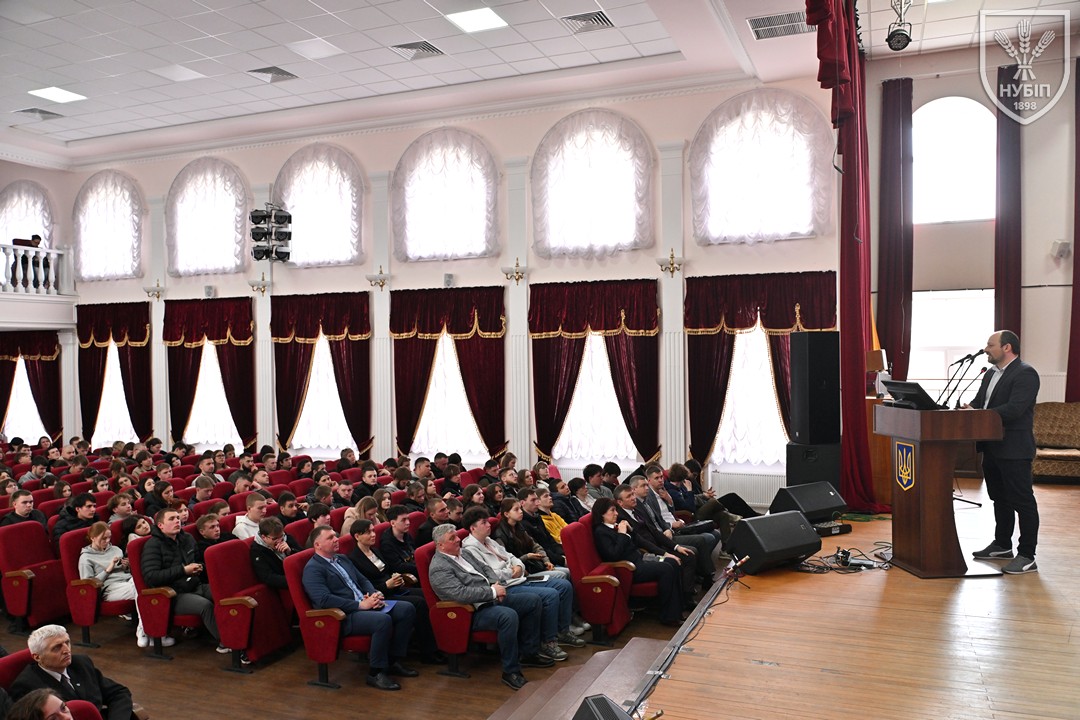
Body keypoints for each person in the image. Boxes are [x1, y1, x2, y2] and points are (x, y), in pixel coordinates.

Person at [427, 523, 550, 691]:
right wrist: (492, 592)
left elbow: (486, 569)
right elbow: (460, 594)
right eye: (452, 538)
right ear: (441, 545)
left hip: (490, 597)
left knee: (533, 601)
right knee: (508, 616)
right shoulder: (439, 568)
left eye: (456, 536)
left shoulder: (464, 553)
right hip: (471, 611)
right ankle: (510, 671)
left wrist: (495, 585)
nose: (458, 540)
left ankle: (529, 653)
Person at [302, 525, 417, 691]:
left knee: (407, 609)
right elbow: (324, 599)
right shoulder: (313, 569)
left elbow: (363, 580)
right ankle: (375, 672)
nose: (336, 539)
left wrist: (374, 594)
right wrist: (360, 605)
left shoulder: (342, 558)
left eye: (335, 536)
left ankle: (392, 661)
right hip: (343, 615)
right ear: (317, 545)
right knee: (382, 621)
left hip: (363, 604)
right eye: (330, 538)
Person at [964, 330, 1041, 574]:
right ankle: (1002, 544)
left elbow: (1014, 409)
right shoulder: (990, 374)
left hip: (1014, 448)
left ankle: (1027, 555)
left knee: (1022, 501)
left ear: (1007, 347)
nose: (986, 349)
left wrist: (980, 415)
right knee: (999, 498)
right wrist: (968, 409)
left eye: (990, 345)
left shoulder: (1026, 373)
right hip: (991, 446)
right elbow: (980, 402)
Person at [461, 507, 583, 658]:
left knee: (564, 586)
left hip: (518, 578)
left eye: (487, 521)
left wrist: (519, 566)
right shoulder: (470, 549)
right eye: (484, 523)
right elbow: (490, 574)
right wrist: (511, 571)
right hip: (506, 586)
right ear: (473, 528)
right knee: (550, 595)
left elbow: (512, 557)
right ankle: (548, 641)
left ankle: (563, 631)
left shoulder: (489, 540)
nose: (488, 525)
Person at [346, 519, 441, 664]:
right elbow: (364, 585)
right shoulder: (354, 559)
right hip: (380, 594)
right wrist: (386, 585)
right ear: (357, 536)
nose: (373, 535)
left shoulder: (375, 551)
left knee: (425, 594)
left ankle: (432, 642)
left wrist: (396, 578)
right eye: (368, 532)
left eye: (373, 531)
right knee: (419, 603)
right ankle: (428, 651)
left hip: (394, 588)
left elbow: (388, 570)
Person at [592, 497, 684, 626]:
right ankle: (668, 616)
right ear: (602, 513)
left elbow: (637, 541)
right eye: (612, 510)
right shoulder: (601, 532)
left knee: (672, 562)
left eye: (616, 510)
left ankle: (678, 610)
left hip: (640, 559)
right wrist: (622, 534)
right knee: (666, 569)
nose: (616, 513)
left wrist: (631, 530)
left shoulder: (616, 526)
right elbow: (613, 555)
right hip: (630, 568)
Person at [9, 625, 134, 720]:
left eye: (67, 643)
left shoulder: (81, 663)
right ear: (37, 657)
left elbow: (118, 693)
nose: (66, 650)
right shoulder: (25, 686)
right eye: (57, 647)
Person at [140, 508, 223, 651]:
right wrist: (183, 570)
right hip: (173, 594)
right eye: (171, 519)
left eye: (177, 518)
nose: (177, 521)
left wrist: (200, 567)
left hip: (195, 584)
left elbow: (199, 560)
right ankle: (228, 642)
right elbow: (151, 576)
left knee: (223, 594)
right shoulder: (153, 545)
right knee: (205, 606)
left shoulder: (187, 538)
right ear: (160, 525)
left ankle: (241, 633)